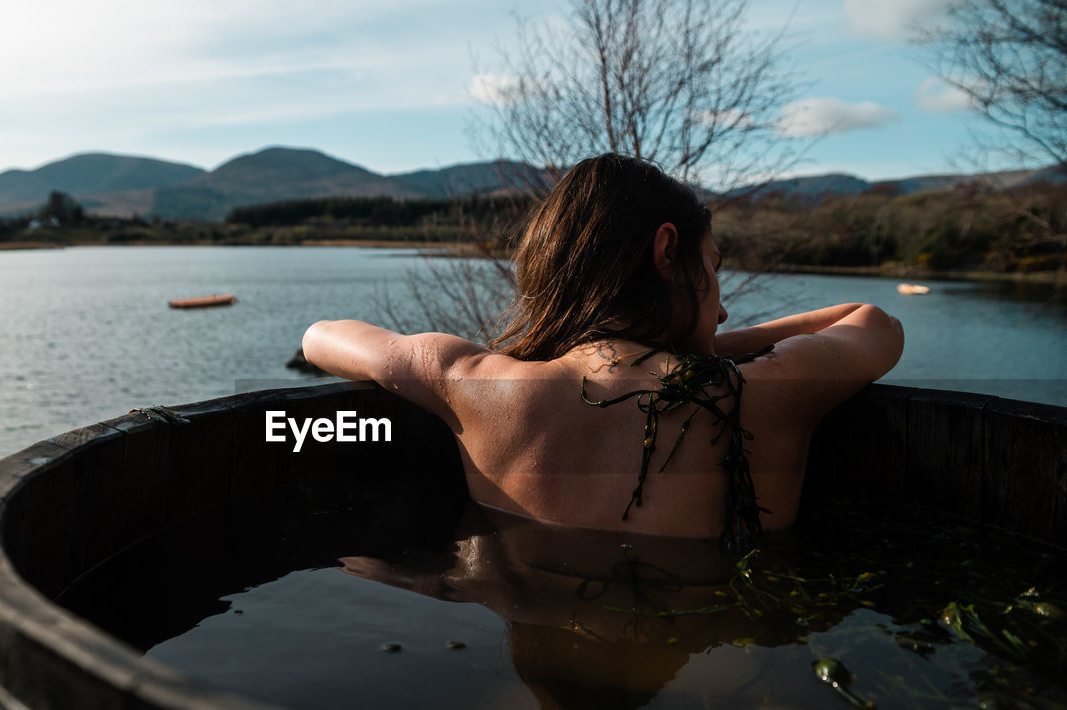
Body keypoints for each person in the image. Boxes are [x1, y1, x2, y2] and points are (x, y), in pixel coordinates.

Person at [302, 153, 903, 558]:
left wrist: (696, 342)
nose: (720, 309)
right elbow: (872, 321)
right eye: (714, 269)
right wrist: (711, 349)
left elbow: (321, 336)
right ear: (667, 250)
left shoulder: (473, 382)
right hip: (718, 685)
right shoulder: (769, 390)